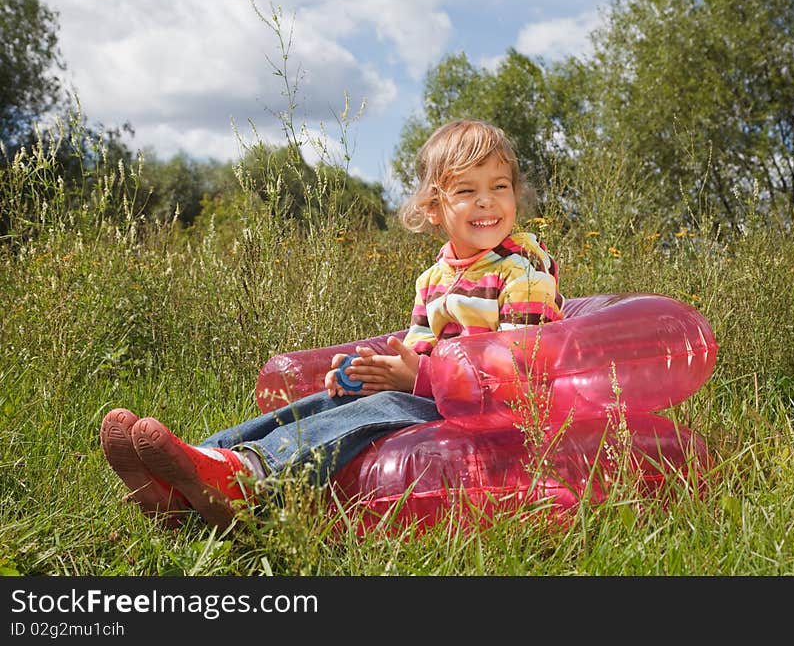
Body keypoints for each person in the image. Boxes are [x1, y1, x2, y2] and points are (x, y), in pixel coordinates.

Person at [100, 119, 565, 529]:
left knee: (376, 412)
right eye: (467, 191)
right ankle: (190, 465)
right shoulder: (435, 278)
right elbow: (421, 348)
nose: (487, 202)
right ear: (433, 208)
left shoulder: (522, 270)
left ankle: (248, 476)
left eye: (499, 187)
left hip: (484, 411)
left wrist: (418, 380)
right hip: (437, 392)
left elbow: (518, 369)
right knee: (324, 402)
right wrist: (372, 373)